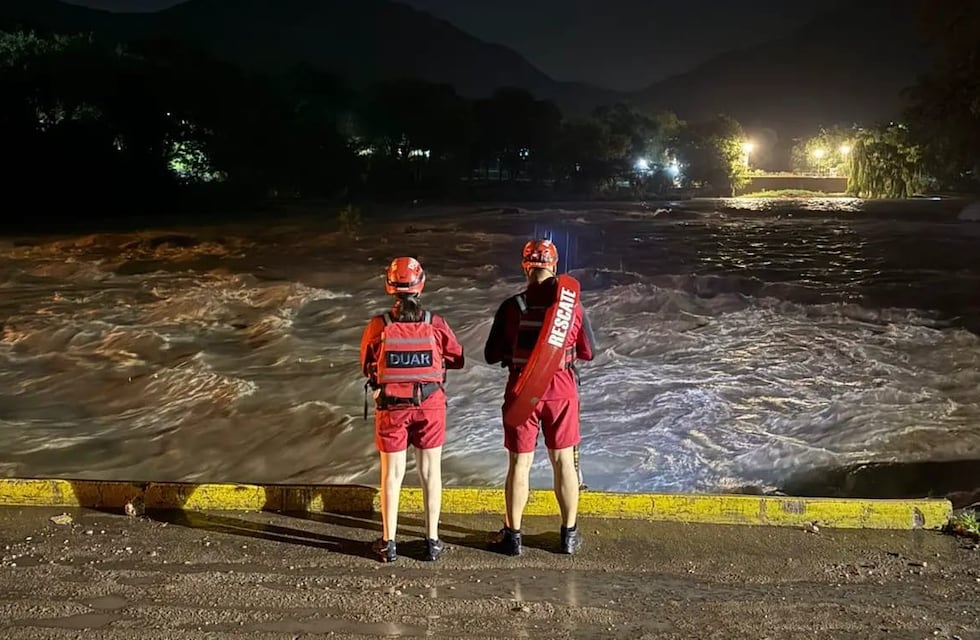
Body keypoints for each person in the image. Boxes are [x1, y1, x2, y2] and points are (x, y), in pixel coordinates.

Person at [483, 239, 596, 556]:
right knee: (564, 464)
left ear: (525, 266)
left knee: (520, 465)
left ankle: (513, 536)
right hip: (562, 390)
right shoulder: (572, 308)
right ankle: (569, 535)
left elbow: (491, 355)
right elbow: (589, 352)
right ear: (554, 266)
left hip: (523, 392)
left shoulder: (511, 307)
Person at [360, 257, 465, 562]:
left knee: (391, 475)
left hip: (391, 408)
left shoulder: (378, 325)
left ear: (389, 287)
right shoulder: (436, 324)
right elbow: (457, 358)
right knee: (431, 473)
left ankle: (388, 543)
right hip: (430, 406)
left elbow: (366, 364)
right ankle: (431, 541)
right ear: (421, 285)